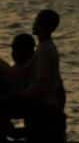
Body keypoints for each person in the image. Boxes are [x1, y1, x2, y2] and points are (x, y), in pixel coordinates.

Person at [25, 10, 66, 143]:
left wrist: (21, 95)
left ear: (47, 27)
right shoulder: (47, 47)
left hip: (45, 108)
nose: (35, 24)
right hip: (51, 105)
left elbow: (42, 82)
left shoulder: (44, 50)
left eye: (38, 21)